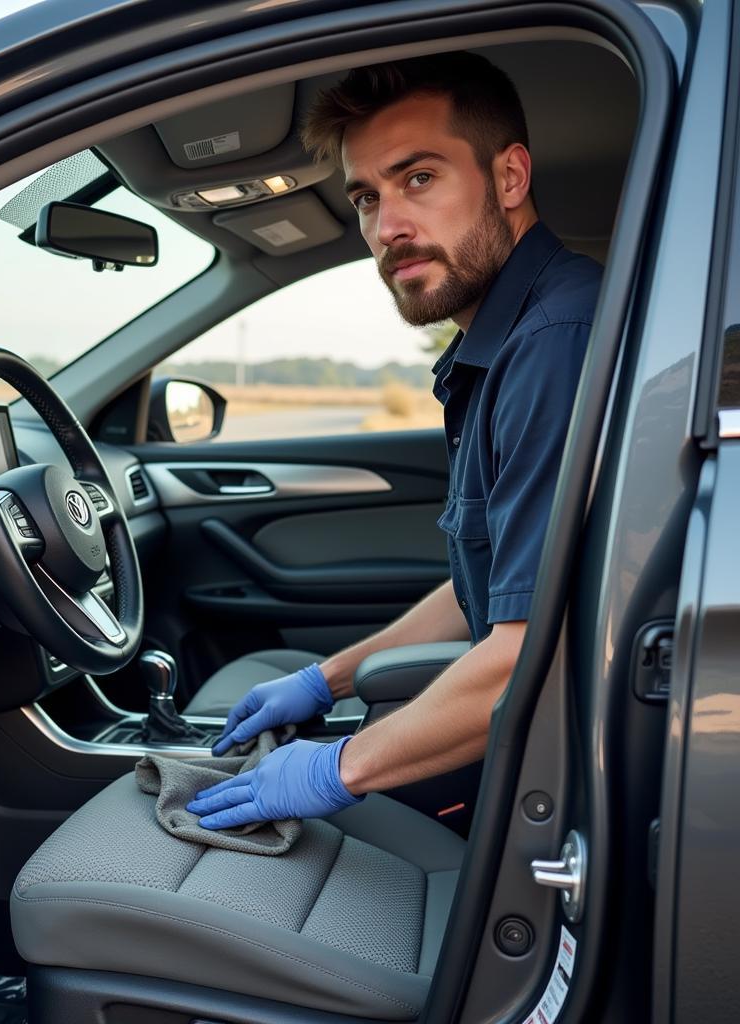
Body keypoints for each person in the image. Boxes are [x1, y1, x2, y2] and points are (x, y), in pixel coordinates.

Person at [187, 52, 602, 829]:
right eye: (368, 197)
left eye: (419, 179)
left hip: (560, 780)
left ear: (510, 178)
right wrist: (326, 680)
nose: (389, 228)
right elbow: (492, 582)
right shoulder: (511, 342)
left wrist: (338, 768)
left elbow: (528, 651)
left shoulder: (556, 339)